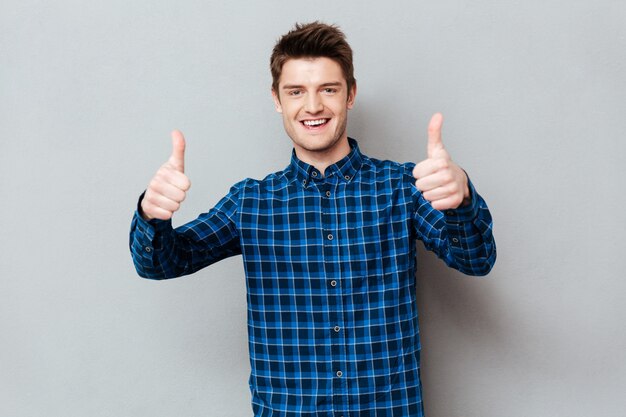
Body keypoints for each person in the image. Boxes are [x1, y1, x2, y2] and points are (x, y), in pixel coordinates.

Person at [129, 21, 496, 417]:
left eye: (328, 89)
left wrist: (461, 199)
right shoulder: (250, 202)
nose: (313, 106)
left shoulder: (401, 187)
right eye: (296, 91)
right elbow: (161, 263)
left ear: (350, 94)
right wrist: (153, 216)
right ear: (277, 99)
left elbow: (476, 260)